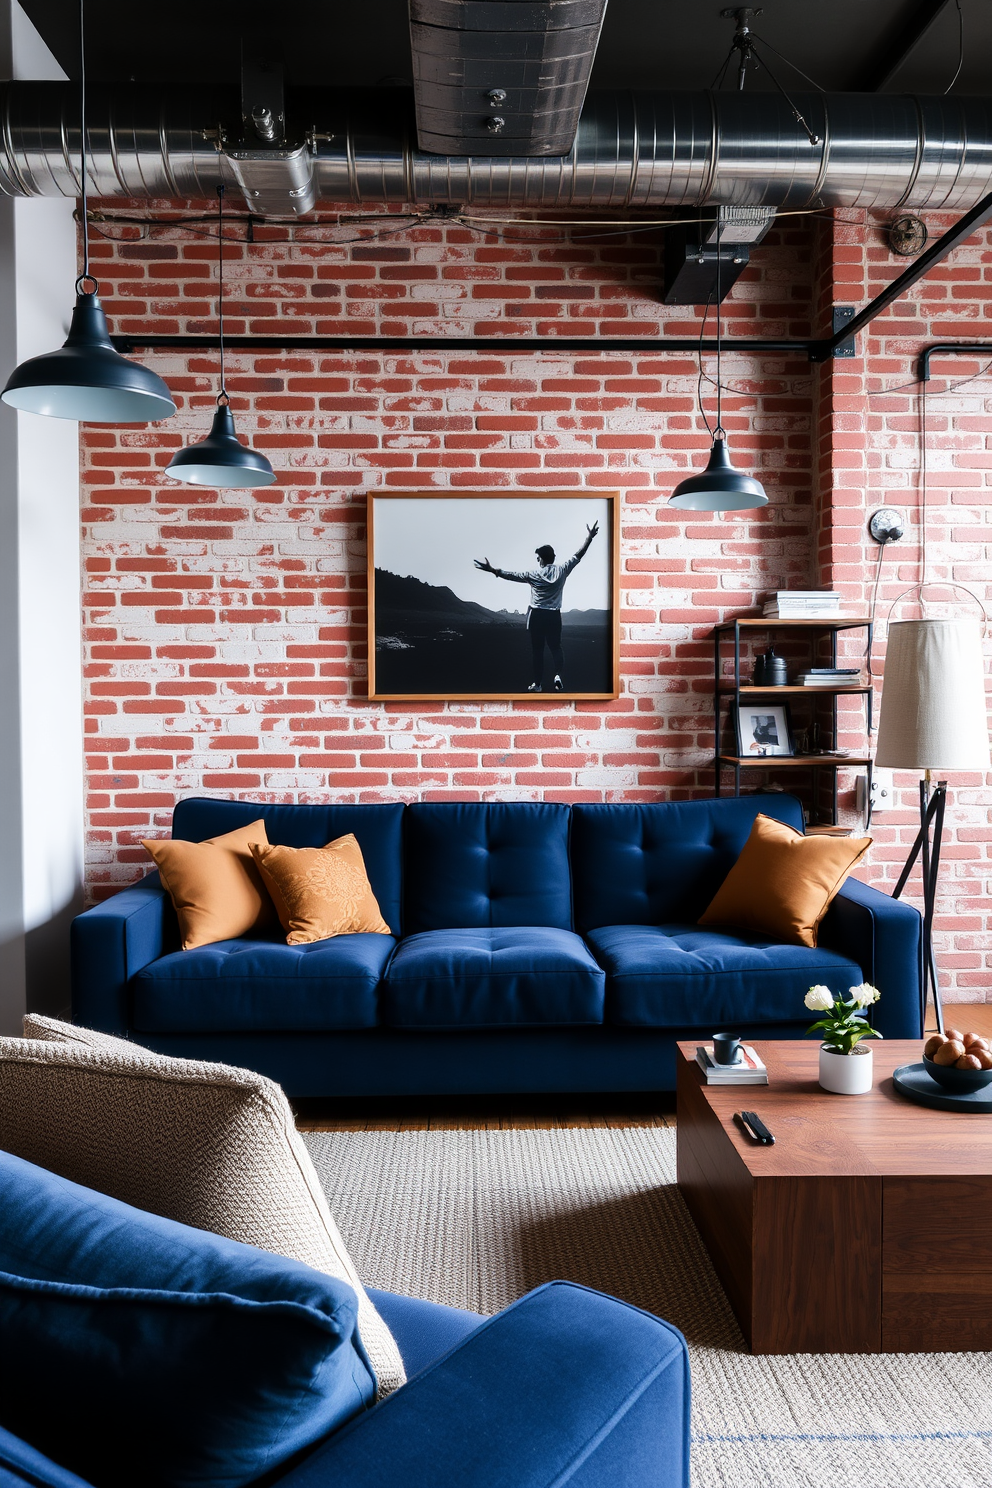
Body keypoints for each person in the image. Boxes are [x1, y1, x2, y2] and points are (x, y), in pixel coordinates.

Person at [474, 522, 599, 691]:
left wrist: (492, 570)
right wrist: (589, 538)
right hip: (554, 616)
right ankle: (557, 675)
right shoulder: (562, 570)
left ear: (542, 558)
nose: (537, 560)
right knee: (556, 647)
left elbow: (512, 575)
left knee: (537, 651)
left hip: (537, 616)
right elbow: (579, 554)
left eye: (538, 557)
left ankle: (538, 685)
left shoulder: (533, 574)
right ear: (553, 558)